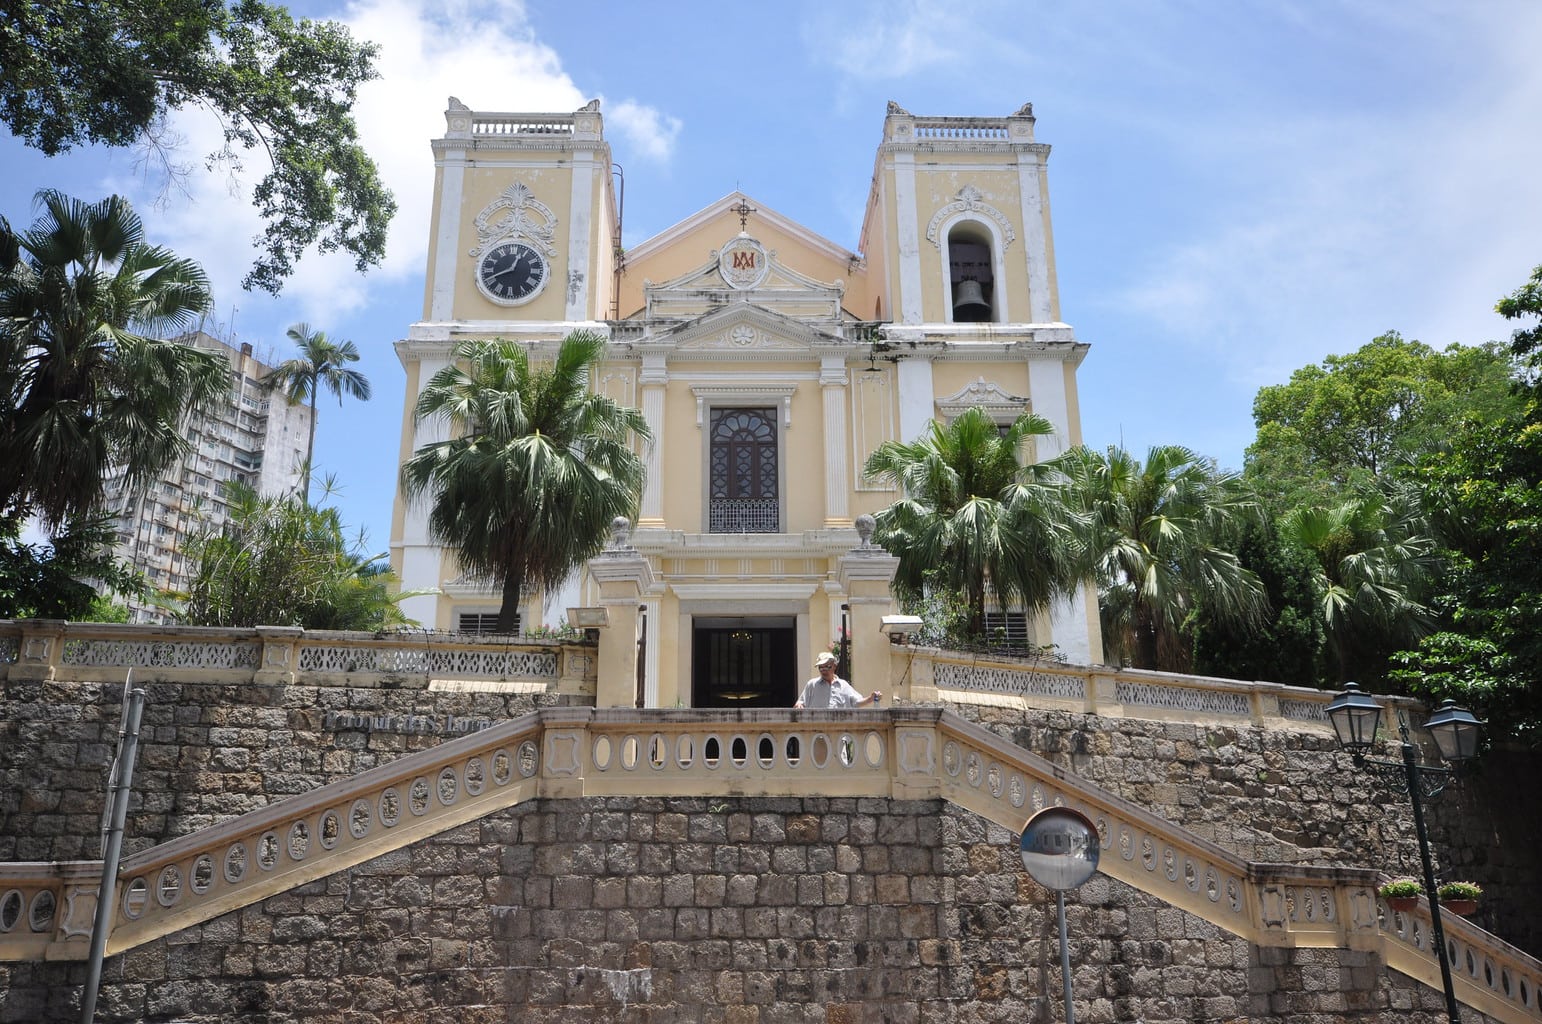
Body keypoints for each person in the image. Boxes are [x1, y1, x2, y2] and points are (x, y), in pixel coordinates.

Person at [794, 651, 882, 708]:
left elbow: (857, 702)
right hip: (818, 734)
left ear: (834, 666)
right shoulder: (812, 685)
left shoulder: (843, 685)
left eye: (827, 667)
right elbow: (800, 703)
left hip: (840, 735)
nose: (824, 671)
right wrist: (799, 705)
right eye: (821, 668)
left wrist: (870, 698)